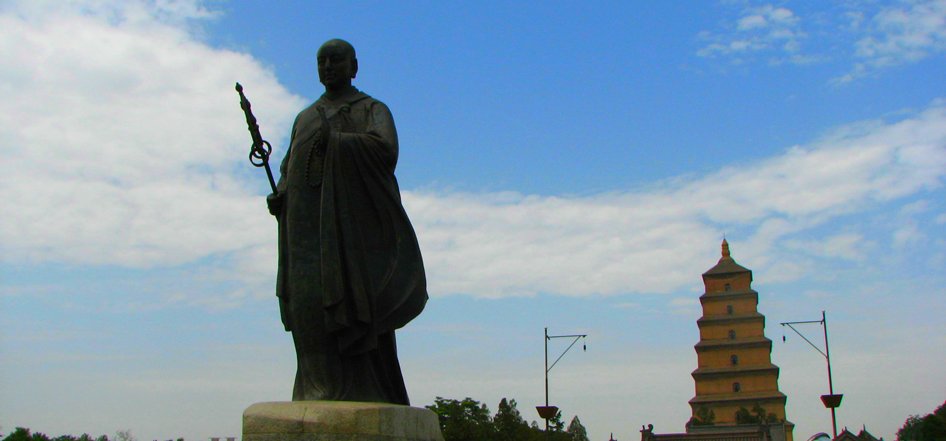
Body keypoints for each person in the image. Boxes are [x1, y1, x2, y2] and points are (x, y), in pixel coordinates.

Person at [266, 39, 427, 405]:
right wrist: (283, 194)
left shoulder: (371, 109)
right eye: (321, 61)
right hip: (305, 231)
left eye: (336, 60)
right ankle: (313, 387)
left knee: (352, 307)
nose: (327, 67)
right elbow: (291, 166)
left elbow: (385, 151)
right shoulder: (305, 117)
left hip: (349, 232)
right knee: (309, 305)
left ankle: (361, 389)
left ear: (354, 66)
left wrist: (336, 140)